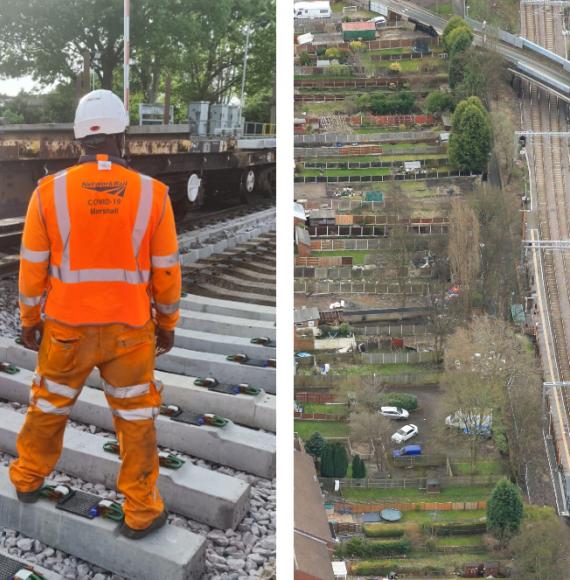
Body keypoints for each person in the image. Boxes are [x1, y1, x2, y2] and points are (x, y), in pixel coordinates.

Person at [9, 89, 181, 539]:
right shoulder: (153, 195)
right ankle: (142, 511)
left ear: (79, 139)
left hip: (66, 329)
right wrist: (167, 324)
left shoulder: (48, 193)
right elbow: (166, 270)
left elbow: (31, 269)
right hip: (131, 331)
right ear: (122, 138)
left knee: (47, 407)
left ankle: (27, 480)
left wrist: (30, 321)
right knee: (137, 421)